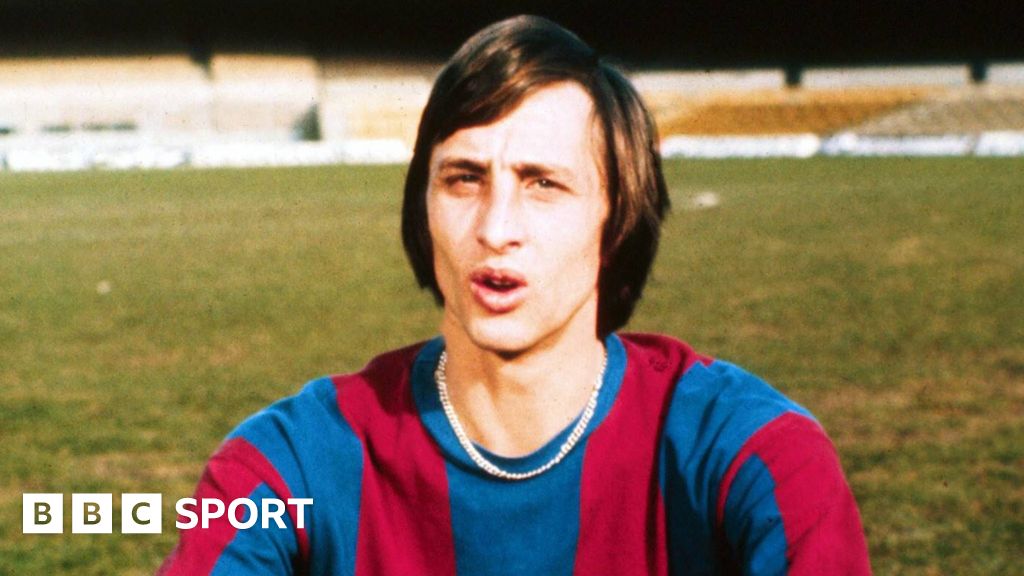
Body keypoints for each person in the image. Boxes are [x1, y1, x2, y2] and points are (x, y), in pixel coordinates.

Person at [159, 15, 871, 575]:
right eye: (463, 178)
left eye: (544, 183)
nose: (496, 228)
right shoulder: (287, 466)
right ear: (421, 206)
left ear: (617, 218)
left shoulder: (758, 459)